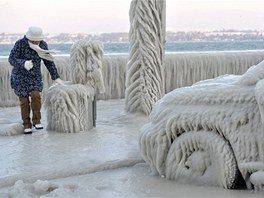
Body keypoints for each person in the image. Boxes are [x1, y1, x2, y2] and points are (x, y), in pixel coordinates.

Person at [8, 26, 64, 134]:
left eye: (38, 40)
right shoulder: (20, 44)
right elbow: (11, 59)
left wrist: (55, 77)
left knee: (36, 96)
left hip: (34, 77)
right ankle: (26, 124)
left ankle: (36, 120)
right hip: (20, 77)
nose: (36, 42)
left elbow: (49, 62)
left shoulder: (42, 44)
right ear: (28, 37)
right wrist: (23, 63)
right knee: (24, 101)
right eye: (34, 40)